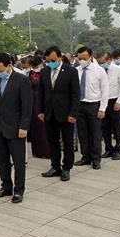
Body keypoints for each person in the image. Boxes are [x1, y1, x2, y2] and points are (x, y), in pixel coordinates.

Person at [0, 53, 31, 202]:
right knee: (2, 160)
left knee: (18, 162)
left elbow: (27, 106)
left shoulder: (22, 80)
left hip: (16, 127)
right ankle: (6, 186)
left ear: (9, 66)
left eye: (0, 70)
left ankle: (18, 190)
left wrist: (24, 126)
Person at [39, 46, 80, 182]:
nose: (51, 62)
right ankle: (55, 166)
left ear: (60, 57)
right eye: (48, 60)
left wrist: (73, 113)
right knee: (52, 141)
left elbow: (76, 95)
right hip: (49, 112)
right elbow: (42, 93)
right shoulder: (44, 72)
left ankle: (66, 168)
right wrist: (40, 110)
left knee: (68, 142)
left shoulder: (71, 71)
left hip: (66, 113)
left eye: (53, 60)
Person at [74, 47, 109, 170]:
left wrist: (102, 108)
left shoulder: (99, 71)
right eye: (80, 58)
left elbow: (105, 91)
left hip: (94, 105)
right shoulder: (76, 70)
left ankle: (96, 159)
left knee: (95, 133)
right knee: (82, 133)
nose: (82, 60)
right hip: (79, 105)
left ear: (90, 57)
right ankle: (85, 156)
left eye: (84, 58)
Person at [96, 52, 120, 160]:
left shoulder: (119, 70)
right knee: (105, 127)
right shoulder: (98, 70)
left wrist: (119, 102)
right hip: (102, 102)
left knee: (117, 127)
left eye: (103, 62)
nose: (101, 64)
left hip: (114, 101)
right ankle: (108, 149)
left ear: (109, 60)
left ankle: (118, 149)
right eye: (99, 63)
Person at [28, 55, 50, 158]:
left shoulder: (45, 72)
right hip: (32, 101)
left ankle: (45, 151)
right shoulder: (30, 73)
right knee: (34, 127)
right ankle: (36, 151)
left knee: (43, 128)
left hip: (41, 100)